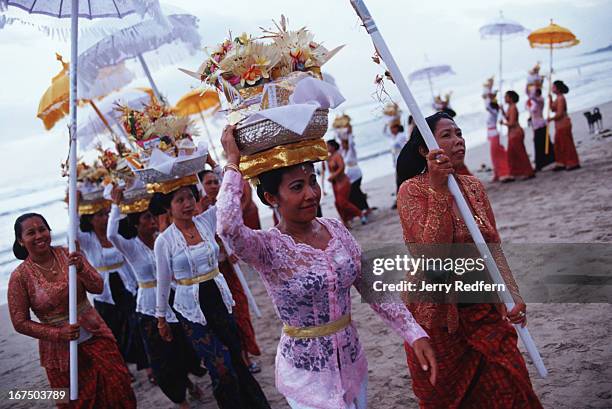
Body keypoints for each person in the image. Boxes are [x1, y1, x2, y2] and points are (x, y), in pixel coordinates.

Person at [217, 125, 437, 409]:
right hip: (305, 375)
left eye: (312, 181)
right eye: (297, 187)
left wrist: (413, 332)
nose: (311, 194)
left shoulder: (336, 230)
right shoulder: (266, 248)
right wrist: (232, 164)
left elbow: (371, 284)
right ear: (272, 198)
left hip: (352, 362)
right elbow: (227, 227)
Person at [396, 112, 543, 408]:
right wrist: (438, 190)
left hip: (484, 308)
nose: (457, 140)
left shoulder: (474, 187)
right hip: (439, 318)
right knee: (452, 399)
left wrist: (512, 295)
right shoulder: (411, 190)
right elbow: (431, 256)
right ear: (425, 150)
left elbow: (493, 246)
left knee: (511, 386)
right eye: (446, 135)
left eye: (459, 133)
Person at [153, 157, 270, 409]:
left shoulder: (207, 220)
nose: (187, 204)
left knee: (236, 359)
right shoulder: (164, 241)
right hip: (192, 309)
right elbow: (162, 282)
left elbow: (230, 192)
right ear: (168, 207)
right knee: (220, 367)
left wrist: (213, 162)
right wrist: (161, 318)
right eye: (179, 200)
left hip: (218, 298)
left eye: (190, 197)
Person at [8, 213, 136, 408]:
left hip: (96, 335)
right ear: (21, 240)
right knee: (75, 401)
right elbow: (19, 322)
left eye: (42, 229)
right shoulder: (20, 277)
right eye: (31, 233)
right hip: (59, 353)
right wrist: (58, 333)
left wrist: (82, 269)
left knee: (119, 387)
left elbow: (98, 287)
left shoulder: (70, 255)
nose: (39, 236)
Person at [107, 188, 203, 408]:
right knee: (162, 356)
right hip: (149, 307)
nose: (152, 221)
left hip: (173, 298)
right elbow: (112, 234)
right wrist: (115, 205)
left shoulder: (162, 239)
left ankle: (188, 382)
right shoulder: (130, 247)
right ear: (136, 224)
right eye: (146, 218)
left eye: (152, 216)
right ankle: (181, 400)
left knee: (182, 347)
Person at [197, 168, 263, 374]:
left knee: (241, 312)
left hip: (230, 270)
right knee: (227, 318)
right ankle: (238, 359)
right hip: (213, 275)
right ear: (200, 187)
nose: (215, 185)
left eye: (216, 182)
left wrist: (231, 249)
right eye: (209, 183)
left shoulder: (223, 204)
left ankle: (246, 356)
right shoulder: (197, 212)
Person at [77, 203, 149, 376]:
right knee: (114, 330)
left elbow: (118, 221)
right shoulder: (88, 239)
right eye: (99, 215)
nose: (104, 218)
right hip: (104, 291)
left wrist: (115, 203)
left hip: (126, 284)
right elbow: (71, 232)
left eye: (106, 214)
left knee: (136, 324)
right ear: (90, 219)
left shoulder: (115, 233)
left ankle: (147, 366)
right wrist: (73, 204)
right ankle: (123, 366)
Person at [326, 139, 363, 228]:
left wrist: (334, 175)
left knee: (342, 202)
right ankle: (345, 221)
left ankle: (360, 214)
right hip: (335, 183)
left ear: (333, 147)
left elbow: (342, 167)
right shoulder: (329, 157)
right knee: (337, 204)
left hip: (342, 181)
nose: (326, 147)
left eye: (328, 146)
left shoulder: (338, 155)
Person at [338, 127, 372, 223]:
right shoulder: (343, 152)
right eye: (342, 144)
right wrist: (339, 134)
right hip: (349, 175)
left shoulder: (351, 150)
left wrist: (349, 134)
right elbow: (338, 147)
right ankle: (364, 208)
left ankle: (363, 208)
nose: (343, 146)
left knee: (355, 190)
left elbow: (351, 143)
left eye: (344, 144)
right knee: (355, 191)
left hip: (356, 173)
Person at [501, 91, 535, 180]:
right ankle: (516, 173)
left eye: (506, 96)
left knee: (520, 153)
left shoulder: (513, 108)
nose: (505, 98)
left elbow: (511, 123)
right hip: (512, 134)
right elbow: (508, 118)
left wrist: (503, 123)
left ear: (511, 98)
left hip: (516, 133)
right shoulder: (510, 107)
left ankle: (528, 172)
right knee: (511, 154)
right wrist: (502, 111)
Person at [549, 80, 580, 171]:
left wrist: (550, 119)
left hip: (564, 124)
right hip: (559, 125)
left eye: (553, 87)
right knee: (558, 145)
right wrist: (550, 99)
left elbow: (560, 114)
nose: (552, 88)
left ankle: (572, 162)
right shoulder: (557, 98)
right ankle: (561, 163)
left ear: (558, 89)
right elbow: (553, 109)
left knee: (566, 144)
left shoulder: (561, 98)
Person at [485, 94, 513, 182]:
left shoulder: (494, 111)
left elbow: (487, 106)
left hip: (494, 134)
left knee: (497, 154)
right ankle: (497, 173)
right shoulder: (493, 111)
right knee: (494, 155)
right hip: (491, 134)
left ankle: (504, 172)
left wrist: (489, 96)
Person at [528, 88, 555, 171]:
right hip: (535, 124)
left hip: (541, 123)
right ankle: (540, 163)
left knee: (541, 142)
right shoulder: (533, 102)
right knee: (538, 143)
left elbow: (531, 97)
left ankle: (546, 161)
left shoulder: (540, 100)